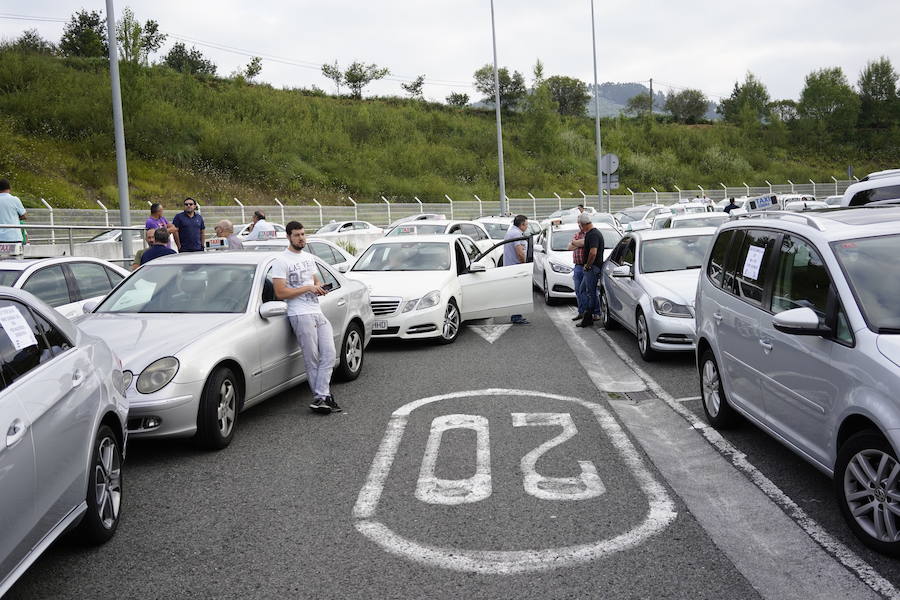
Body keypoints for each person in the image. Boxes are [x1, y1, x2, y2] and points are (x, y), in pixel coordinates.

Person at [272, 221, 339, 414]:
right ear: (288, 237)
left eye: (303, 234)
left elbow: (315, 280)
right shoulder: (281, 261)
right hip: (299, 313)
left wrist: (318, 288)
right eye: (296, 235)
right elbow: (280, 292)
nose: (301, 238)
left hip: (316, 310)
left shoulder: (309, 257)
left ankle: (322, 396)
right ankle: (322, 398)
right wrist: (308, 288)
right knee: (312, 358)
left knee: (329, 354)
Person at [576, 212, 604, 328]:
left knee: (590, 293)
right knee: (582, 290)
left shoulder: (593, 234)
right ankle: (587, 314)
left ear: (583, 224)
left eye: (580, 225)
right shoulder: (591, 234)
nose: (580, 227)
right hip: (590, 268)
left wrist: (587, 265)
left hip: (592, 268)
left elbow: (593, 252)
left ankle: (589, 317)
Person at [503, 214, 530, 325]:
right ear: (522, 224)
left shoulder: (512, 232)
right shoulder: (516, 234)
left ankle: (516, 315)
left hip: (512, 266)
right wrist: (525, 265)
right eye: (527, 224)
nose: (527, 226)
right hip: (516, 267)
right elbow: (519, 252)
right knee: (517, 293)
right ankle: (516, 316)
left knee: (515, 292)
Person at [568, 227, 587, 321]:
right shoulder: (577, 234)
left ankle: (593, 313)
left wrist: (576, 243)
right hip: (577, 266)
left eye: (581, 223)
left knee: (589, 291)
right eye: (579, 223)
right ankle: (581, 312)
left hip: (587, 266)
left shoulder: (590, 234)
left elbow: (585, 243)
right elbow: (569, 247)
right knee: (578, 290)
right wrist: (579, 243)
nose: (580, 225)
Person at [0, 179, 26, 243]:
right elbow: (24, 216)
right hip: (14, 236)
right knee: (14, 253)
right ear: (9, 188)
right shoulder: (15, 199)